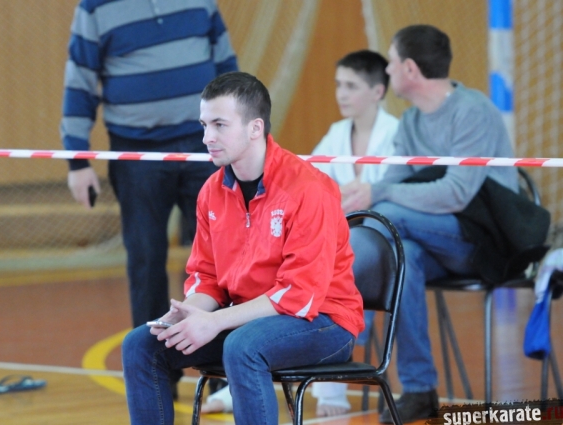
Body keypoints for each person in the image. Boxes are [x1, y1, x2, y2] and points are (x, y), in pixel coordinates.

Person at [121, 71, 365, 425]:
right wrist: (191, 314)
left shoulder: (309, 189)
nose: (207, 137)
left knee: (243, 346)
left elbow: (299, 296)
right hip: (247, 321)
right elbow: (207, 277)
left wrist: (214, 322)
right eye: (204, 125)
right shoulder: (211, 191)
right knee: (142, 345)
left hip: (324, 323)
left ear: (255, 128)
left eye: (219, 125)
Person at [342, 25, 518, 423]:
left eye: (390, 62)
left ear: (409, 69)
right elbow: (392, 186)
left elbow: (456, 194)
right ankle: (420, 389)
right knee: (402, 257)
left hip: (486, 242)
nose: (387, 69)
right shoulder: (410, 124)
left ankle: (350, 326)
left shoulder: (472, 111)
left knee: (388, 215)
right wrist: (363, 195)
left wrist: (378, 194)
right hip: (433, 241)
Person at [60, 0, 238, 394]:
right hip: (135, 152)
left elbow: (227, 67)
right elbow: (80, 80)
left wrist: (236, 134)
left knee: (224, 260)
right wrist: (77, 160)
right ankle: (156, 377)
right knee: (145, 262)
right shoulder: (95, 8)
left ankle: (223, 378)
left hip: (205, 147)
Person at [309, 49, 399, 417]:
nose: (341, 94)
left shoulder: (396, 134)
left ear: (378, 91)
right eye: (338, 85)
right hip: (336, 240)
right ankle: (245, 375)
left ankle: (330, 388)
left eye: (351, 86)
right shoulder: (336, 134)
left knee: (343, 270)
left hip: (379, 245)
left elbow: (398, 193)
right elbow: (309, 182)